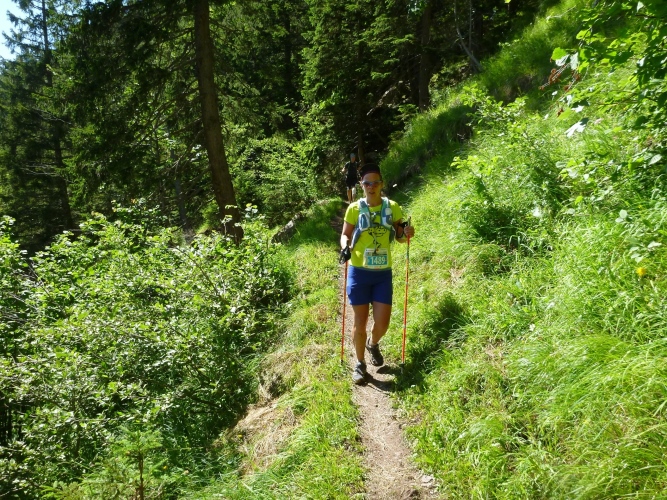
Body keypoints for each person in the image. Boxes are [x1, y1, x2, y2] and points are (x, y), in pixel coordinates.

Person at [339, 164, 415, 384]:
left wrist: (407, 233)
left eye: (375, 182)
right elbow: (345, 234)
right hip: (359, 272)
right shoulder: (354, 209)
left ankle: (372, 344)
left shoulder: (392, 208)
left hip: (382, 274)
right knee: (360, 322)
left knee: (382, 323)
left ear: (381, 184)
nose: (371, 187)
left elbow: (400, 236)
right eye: (367, 183)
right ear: (361, 185)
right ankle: (360, 364)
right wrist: (345, 247)